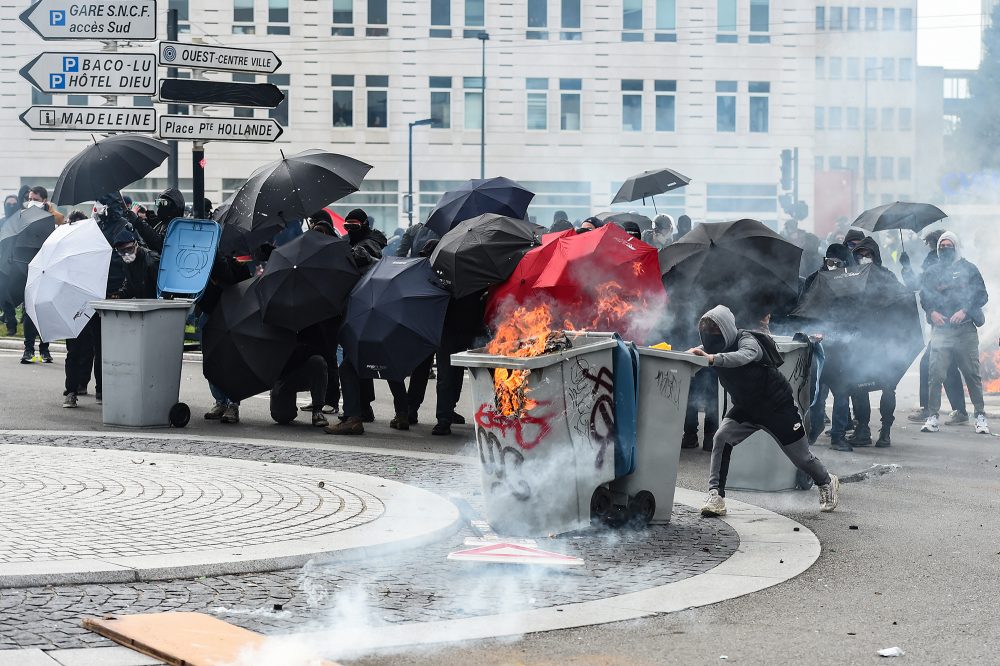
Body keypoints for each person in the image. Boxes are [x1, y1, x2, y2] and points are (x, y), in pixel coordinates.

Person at [689, 305, 840, 516]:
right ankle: (715, 496)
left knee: (802, 458)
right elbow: (697, 356)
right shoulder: (711, 347)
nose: (711, 338)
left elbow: (744, 356)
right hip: (746, 407)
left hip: (777, 407)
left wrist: (713, 359)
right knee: (721, 438)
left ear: (726, 329)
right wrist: (685, 359)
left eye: (715, 332)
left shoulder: (747, 340)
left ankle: (826, 481)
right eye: (707, 333)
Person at [327, 208, 405, 436]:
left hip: (372, 311)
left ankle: (357, 416)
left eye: (354, 226)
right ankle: (372, 411)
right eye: (347, 226)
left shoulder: (372, 243)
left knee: (357, 365)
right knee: (357, 364)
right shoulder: (350, 244)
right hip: (363, 311)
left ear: (363, 225)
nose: (350, 230)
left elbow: (365, 254)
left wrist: (352, 252)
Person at [919, 232, 990, 435]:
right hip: (941, 331)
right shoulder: (932, 272)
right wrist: (931, 312)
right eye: (942, 245)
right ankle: (933, 416)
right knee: (935, 374)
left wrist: (964, 310)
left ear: (956, 246)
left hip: (965, 331)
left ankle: (980, 415)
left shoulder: (969, 268)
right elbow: (925, 296)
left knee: (972, 374)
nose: (945, 248)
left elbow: (982, 294)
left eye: (949, 245)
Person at [903, 230, 967, 425]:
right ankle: (958, 410)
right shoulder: (946, 259)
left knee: (931, 364)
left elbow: (918, 285)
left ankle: (931, 408)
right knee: (947, 366)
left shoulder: (936, 259)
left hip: (949, 322)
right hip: (943, 322)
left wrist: (906, 267)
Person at [845, 238, 904, 447]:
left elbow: (903, 301)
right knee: (858, 386)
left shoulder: (887, 277)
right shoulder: (852, 278)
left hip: (885, 342)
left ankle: (886, 430)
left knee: (888, 387)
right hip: (861, 342)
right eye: (859, 255)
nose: (863, 258)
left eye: (867, 254)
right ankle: (862, 429)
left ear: (875, 255)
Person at [270, 346, 329, 427]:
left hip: (306, 367)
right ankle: (280, 393)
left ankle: (317, 410)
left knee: (318, 362)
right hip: (283, 374)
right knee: (282, 417)